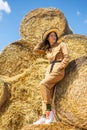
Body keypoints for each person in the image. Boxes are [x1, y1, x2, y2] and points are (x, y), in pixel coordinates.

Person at [33, 28, 69, 124]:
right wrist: (43, 41)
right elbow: (35, 50)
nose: (54, 37)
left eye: (54, 35)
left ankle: (48, 113)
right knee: (46, 93)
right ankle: (46, 115)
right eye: (51, 35)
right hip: (49, 71)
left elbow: (67, 57)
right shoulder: (48, 49)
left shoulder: (62, 44)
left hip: (58, 69)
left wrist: (61, 67)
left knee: (43, 84)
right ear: (48, 38)